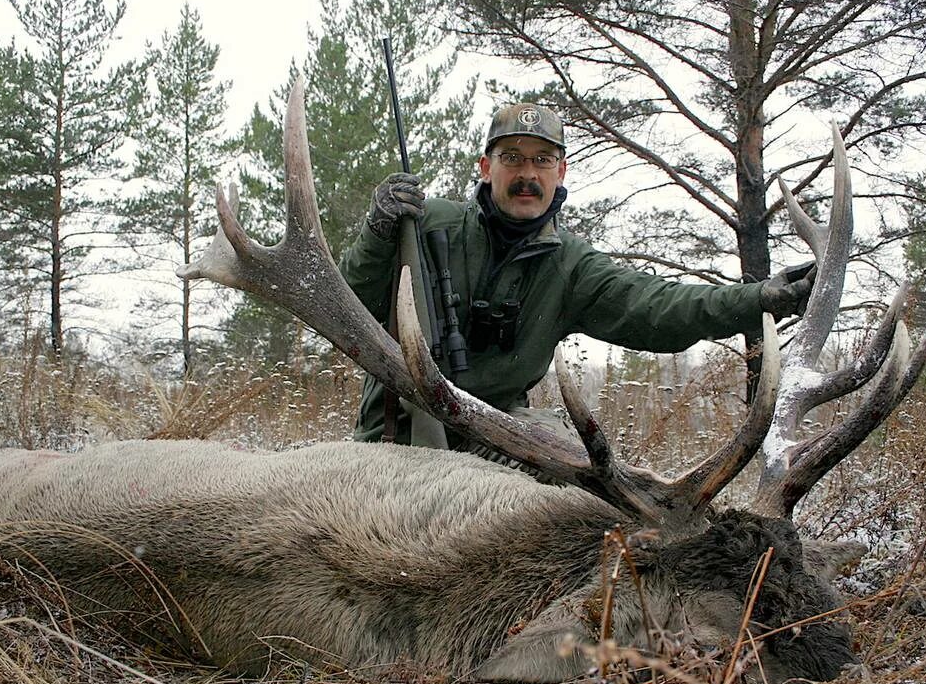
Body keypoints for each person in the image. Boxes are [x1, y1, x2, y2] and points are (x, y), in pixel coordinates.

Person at [339, 103, 814, 446]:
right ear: (486, 168)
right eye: (512, 158)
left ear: (561, 171)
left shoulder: (571, 265)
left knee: (568, 461)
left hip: (495, 439)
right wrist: (377, 233)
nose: (528, 173)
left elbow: (659, 307)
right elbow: (351, 303)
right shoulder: (422, 223)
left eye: (542, 160)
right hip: (394, 439)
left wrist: (760, 300)